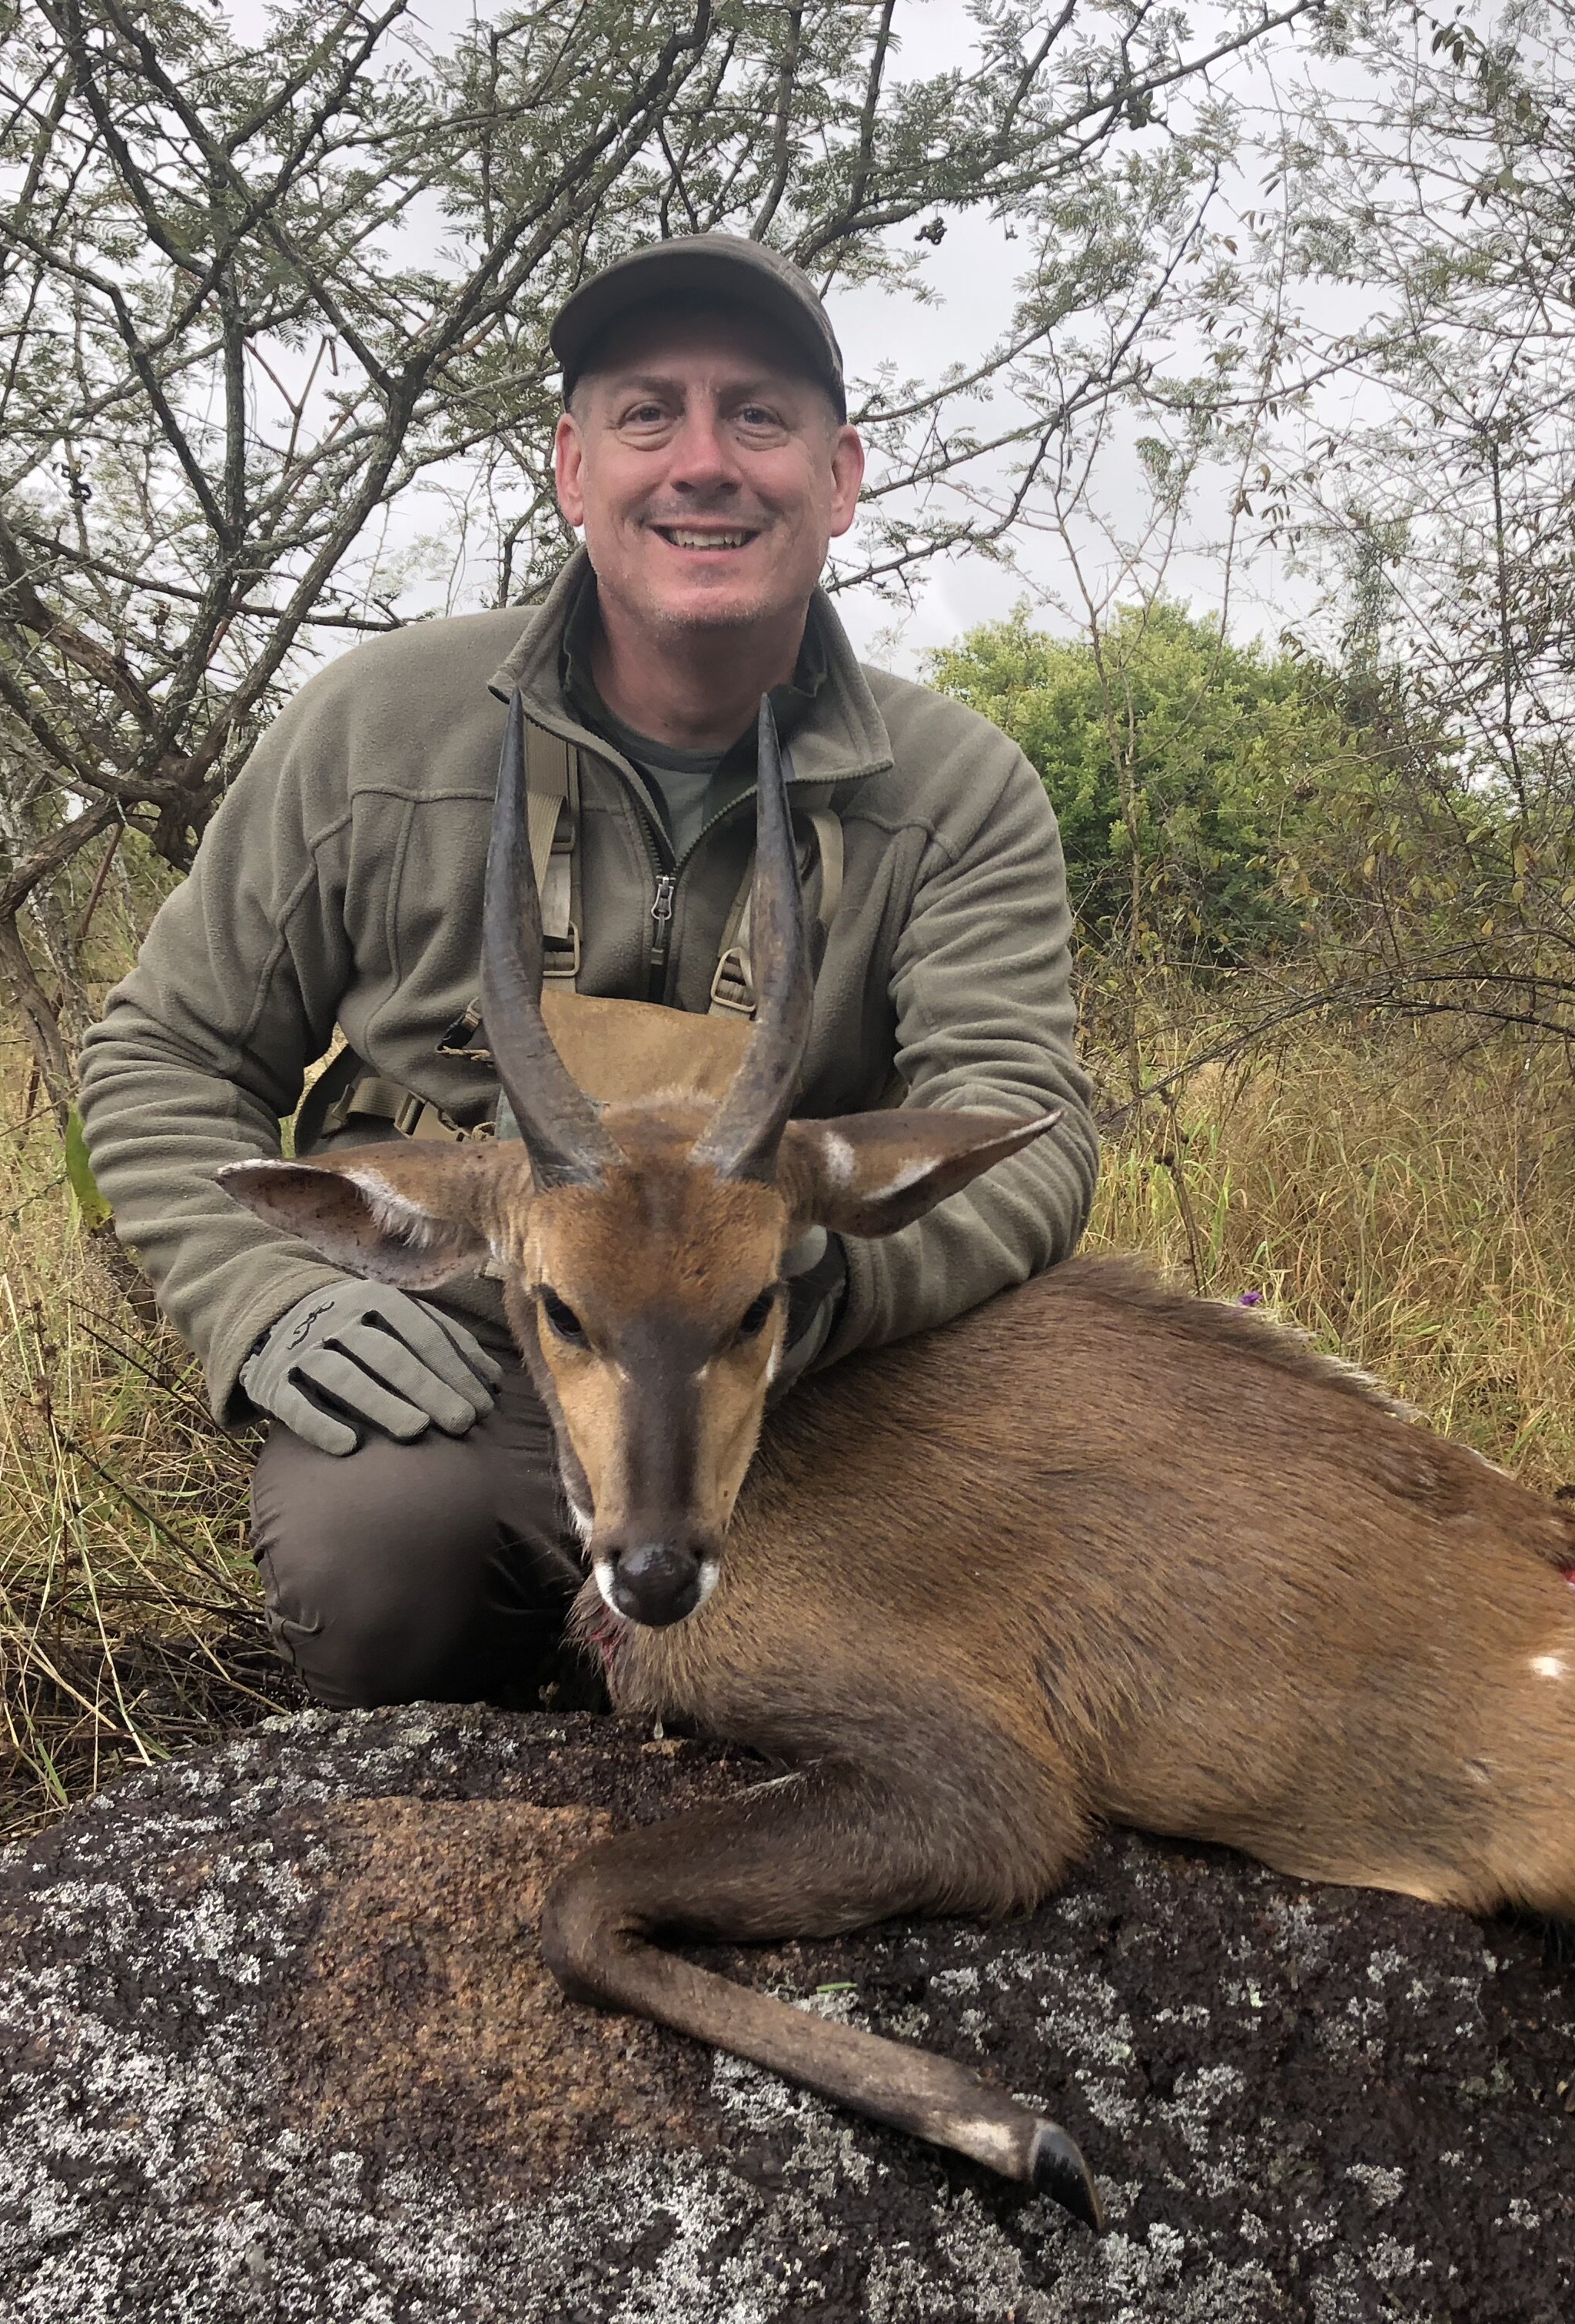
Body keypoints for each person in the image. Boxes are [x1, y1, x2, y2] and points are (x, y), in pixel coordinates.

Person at [77, 233, 1096, 1710]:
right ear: (571, 468)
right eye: (646, 416)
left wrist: (816, 1289)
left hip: (798, 1365)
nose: (704, 463)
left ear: (841, 477)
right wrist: (263, 1302)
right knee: (379, 1559)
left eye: (758, 416)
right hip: (483, 1343)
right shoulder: (382, 722)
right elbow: (165, 1055)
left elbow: (1021, 1117)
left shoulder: (958, 787)